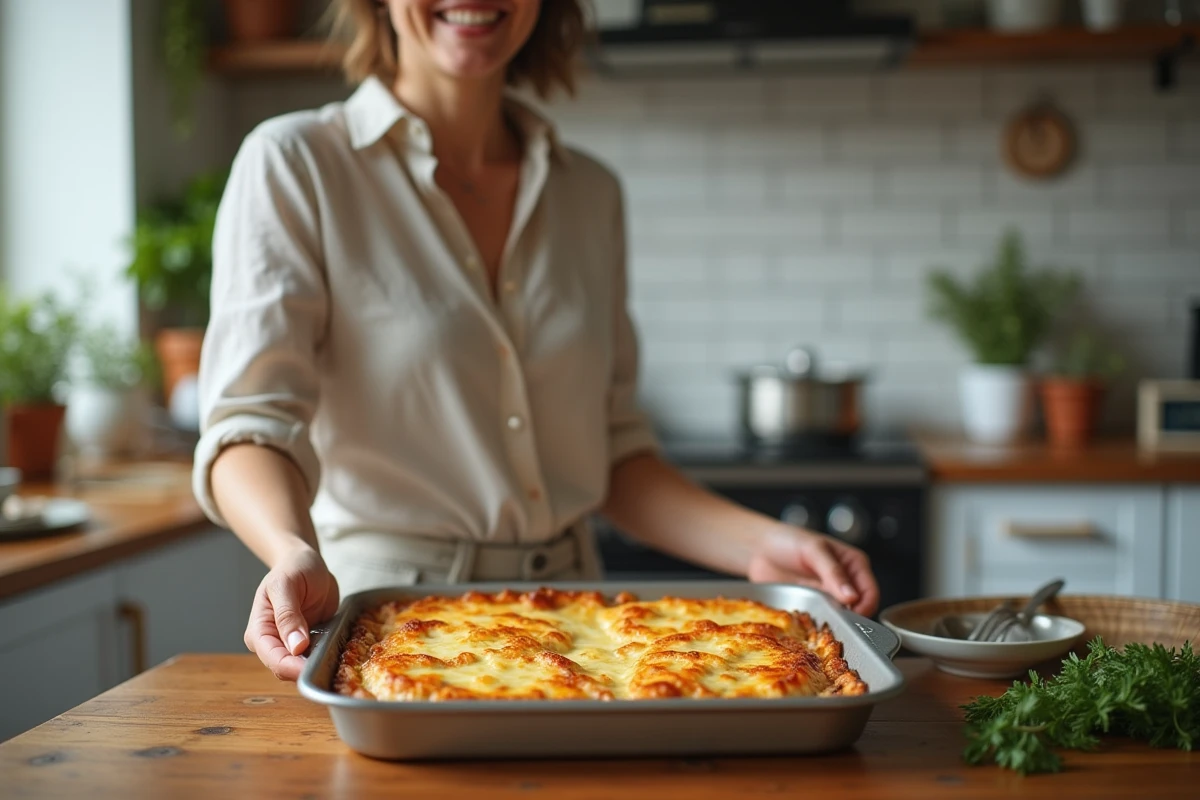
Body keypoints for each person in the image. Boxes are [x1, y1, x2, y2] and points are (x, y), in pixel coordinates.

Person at [195, 0, 880, 682]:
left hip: (584, 630)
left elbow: (612, 453)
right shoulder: (296, 165)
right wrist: (290, 550)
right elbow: (250, 425)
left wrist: (766, 542)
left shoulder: (590, 193)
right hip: (393, 630)